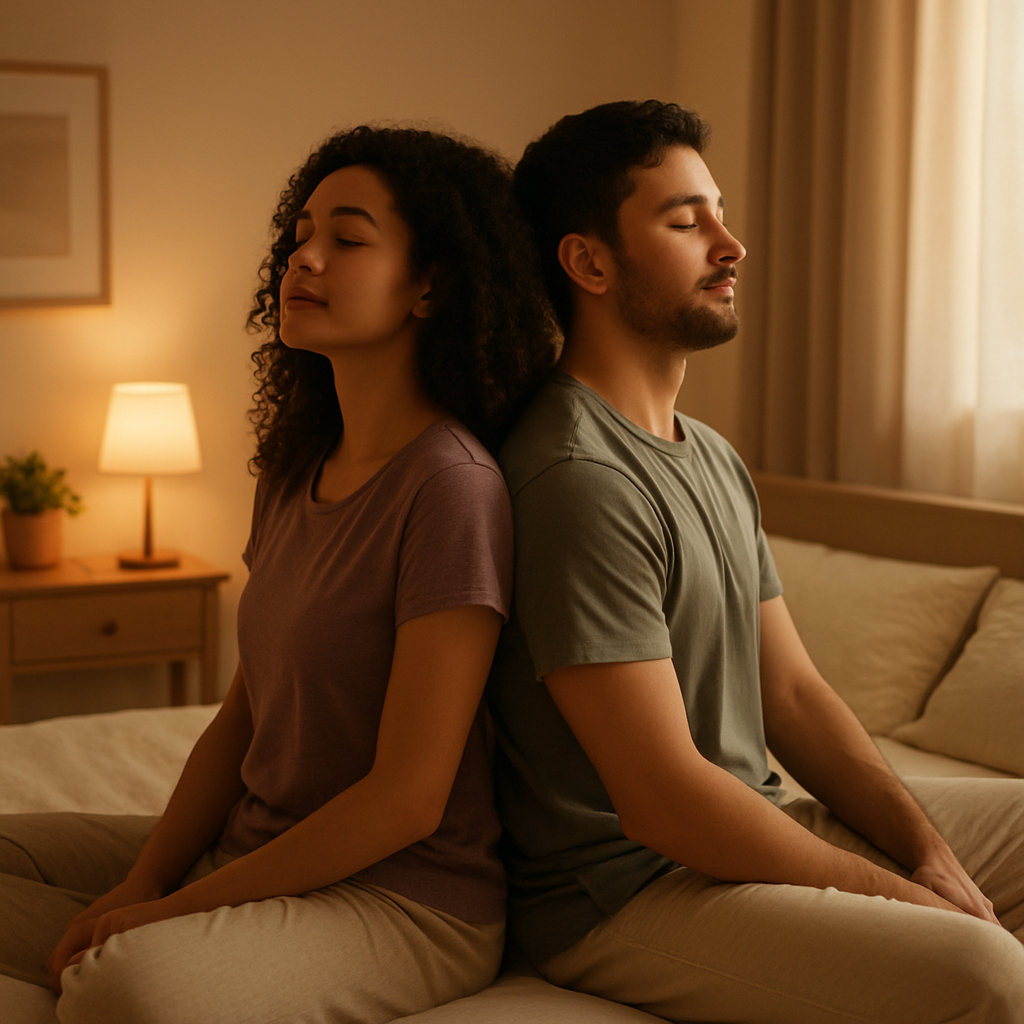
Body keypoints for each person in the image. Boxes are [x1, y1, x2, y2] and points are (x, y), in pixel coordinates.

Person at [0, 125, 555, 1023]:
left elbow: (408, 799)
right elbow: (241, 718)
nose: (305, 257)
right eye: (300, 234)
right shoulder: (297, 470)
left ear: (430, 286)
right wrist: (142, 883)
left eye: (347, 237)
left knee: (131, 993)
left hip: (405, 902)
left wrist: (167, 915)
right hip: (255, 850)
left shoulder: (452, 487)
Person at [487, 99, 1024, 1023]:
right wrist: (902, 896)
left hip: (750, 826)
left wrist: (928, 852)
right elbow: (661, 803)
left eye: (719, 213)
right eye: (686, 222)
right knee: (980, 973)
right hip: (626, 894)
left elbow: (796, 698)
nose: (731, 246)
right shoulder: (574, 477)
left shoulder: (710, 454)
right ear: (588, 263)